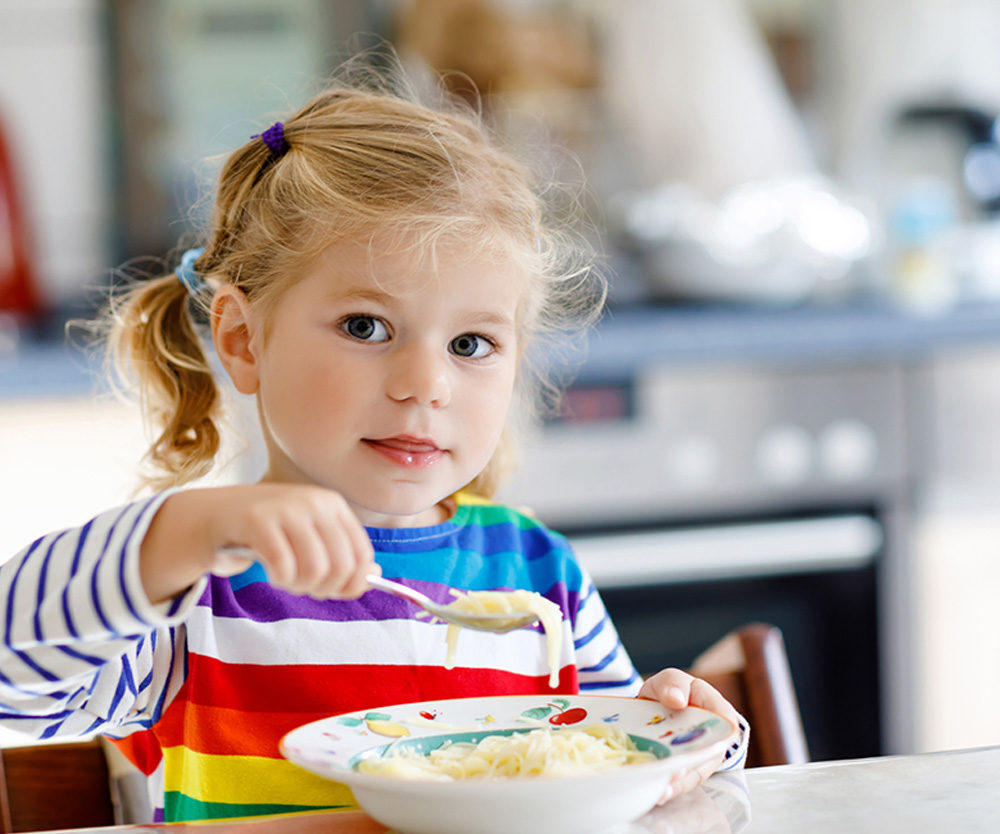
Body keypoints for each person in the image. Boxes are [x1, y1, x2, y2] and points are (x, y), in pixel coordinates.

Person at [0, 64, 747, 824]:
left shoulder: (538, 577)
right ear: (241, 339)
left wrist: (684, 728)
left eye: (470, 342)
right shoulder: (199, 591)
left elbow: (624, 771)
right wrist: (178, 535)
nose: (426, 385)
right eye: (366, 327)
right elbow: (9, 675)